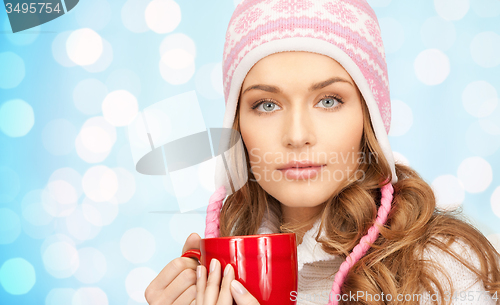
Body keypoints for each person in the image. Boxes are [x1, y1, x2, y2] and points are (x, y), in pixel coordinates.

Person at [145, 0, 500, 304]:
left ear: (369, 116)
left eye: (328, 100)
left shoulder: (442, 268)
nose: (297, 136)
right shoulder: (222, 273)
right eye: (267, 105)